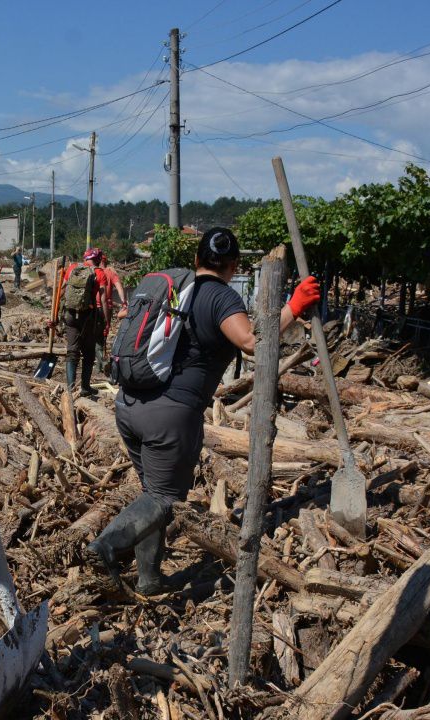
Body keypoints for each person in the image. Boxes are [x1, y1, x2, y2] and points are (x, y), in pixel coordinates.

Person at [85, 227, 320, 595]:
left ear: (197, 259)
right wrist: (295, 306)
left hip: (129, 405)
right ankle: (106, 547)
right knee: (163, 499)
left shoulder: (180, 290)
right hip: (169, 415)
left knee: (153, 493)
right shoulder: (221, 296)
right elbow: (252, 342)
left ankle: (149, 580)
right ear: (234, 265)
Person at [56, 248, 110, 396]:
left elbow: (61, 291)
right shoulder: (100, 273)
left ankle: (70, 389)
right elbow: (103, 300)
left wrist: (56, 315)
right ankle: (85, 387)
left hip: (70, 314)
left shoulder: (73, 268)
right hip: (88, 317)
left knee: (72, 351)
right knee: (89, 353)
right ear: (98, 260)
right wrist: (106, 321)